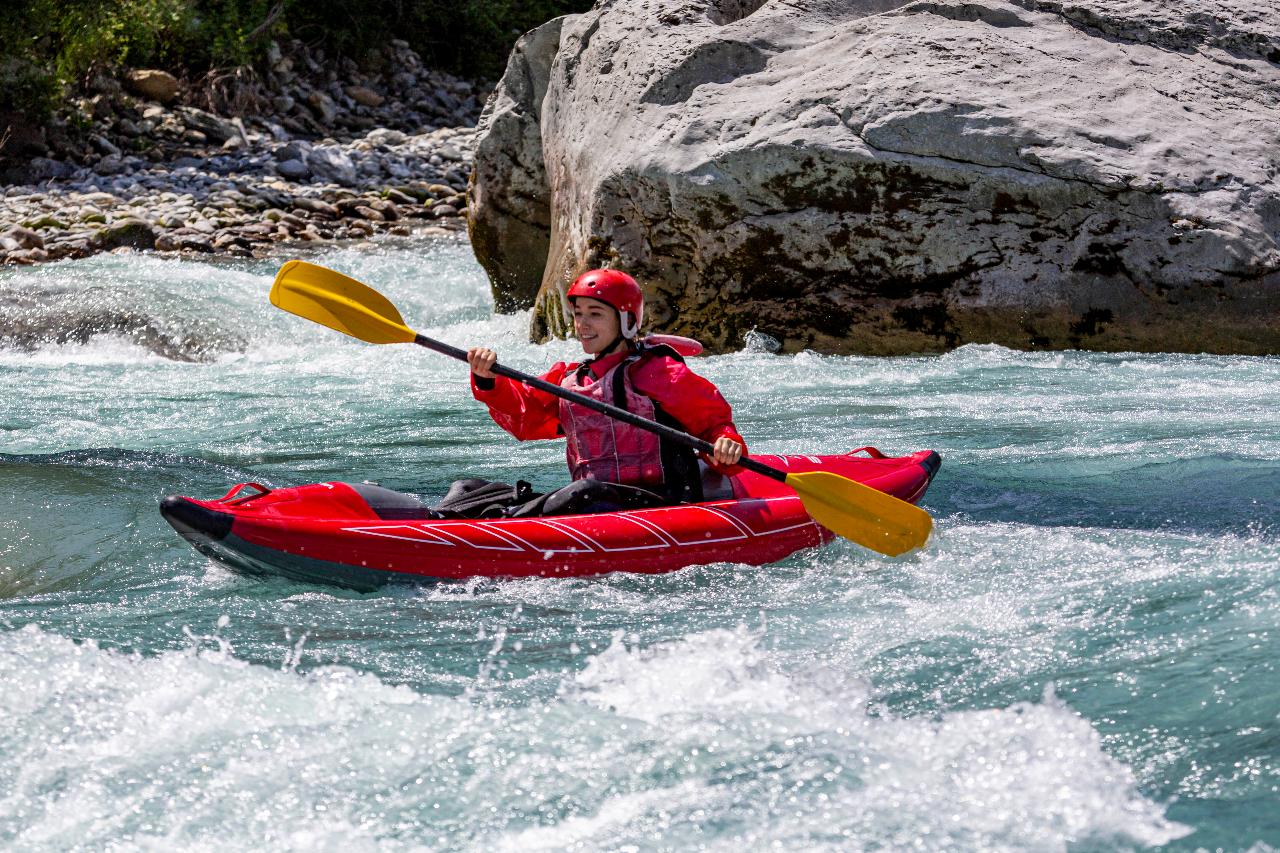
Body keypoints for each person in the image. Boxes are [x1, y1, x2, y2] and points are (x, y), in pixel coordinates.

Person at [457, 268, 746, 516]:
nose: (582, 324)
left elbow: (715, 426)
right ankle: (448, 518)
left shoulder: (659, 372)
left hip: (658, 502)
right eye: (578, 313)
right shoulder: (571, 379)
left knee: (583, 492)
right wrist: (488, 380)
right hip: (597, 503)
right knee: (468, 488)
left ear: (627, 322)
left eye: (595, 314)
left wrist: (726, 444)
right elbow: (525, 417)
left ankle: (504, 522)